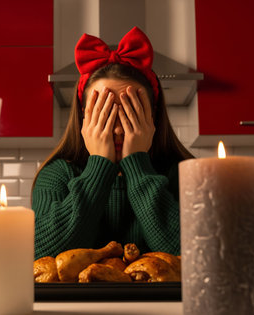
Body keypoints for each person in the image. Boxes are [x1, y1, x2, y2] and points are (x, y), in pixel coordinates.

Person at [32, 27, 194, 259]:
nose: (117, 129)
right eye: (105, 115)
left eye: (130, 114)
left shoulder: (184, 174)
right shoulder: (57, 174)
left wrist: (137, 164)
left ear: (153, 116)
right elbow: (43, 256)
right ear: (83, 117)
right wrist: (99, 165)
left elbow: (196, 254)